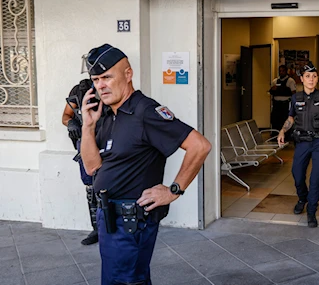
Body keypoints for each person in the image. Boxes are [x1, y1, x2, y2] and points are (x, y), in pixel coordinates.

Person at [79, 44, 212, 285]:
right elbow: (91, 168)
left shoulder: (146, 111)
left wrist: (174, 190)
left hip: (131, 221)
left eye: (107, 77)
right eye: (96, 79)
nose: (101, 85)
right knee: (125, 279)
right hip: (108, 217)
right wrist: (88, 126)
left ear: (128, 75)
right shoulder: (107, 114)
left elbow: (200, 145)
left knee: (124, 281)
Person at [277, 62, 319, 228]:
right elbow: (291, 118)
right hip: (302, 142)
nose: (311, 79)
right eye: (307, 76)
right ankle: (302, 198)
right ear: (301, 79)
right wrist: (282, 131)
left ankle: (312, 212)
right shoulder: (295, 98)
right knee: (297, 173)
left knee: (315, 179)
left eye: (314, 76)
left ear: (317, 78)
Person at [62, 77, 98, 245]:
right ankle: (97, 229)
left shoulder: (114, 88)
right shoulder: (79, 90)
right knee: (90, 186)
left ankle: (111, 228)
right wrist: (71, 124)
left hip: (109, 141)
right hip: (85, 143)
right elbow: (66, 115)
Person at [269, 65, 296, 135]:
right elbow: (270, 92)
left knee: (284, 120)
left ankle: (286, 135)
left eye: (283, 71)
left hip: (285, 104)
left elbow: (293, 93)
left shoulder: (290, 81)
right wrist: (273, 89)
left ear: (286, 71)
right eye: (280, 71)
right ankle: (275, 135)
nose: (281, 72)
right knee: (275, 120)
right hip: (276, 104)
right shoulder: (275, 81)